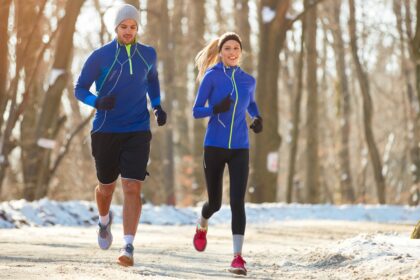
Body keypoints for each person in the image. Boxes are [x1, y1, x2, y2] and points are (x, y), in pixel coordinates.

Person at [74, 4, 166, 267]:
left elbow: (152, 80)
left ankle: (128, 246)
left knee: (132, 186)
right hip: (106, 129)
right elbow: (79, 88)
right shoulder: (100, 56)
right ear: (116, 28)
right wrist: (97, 101)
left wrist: (157, 106)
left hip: (137, 129)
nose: (128, 31)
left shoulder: (148, 53)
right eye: (124, 27)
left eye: (133, 27)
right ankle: (104, 222)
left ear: (138, 28)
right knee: (106, 188)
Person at [192, 32, 263, 276]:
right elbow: (196, 110)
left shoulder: (248, 81)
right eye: (227, 48)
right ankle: (202, 223)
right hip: (214, 146)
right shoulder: (211, 77)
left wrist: (257, 118)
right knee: (215, 203)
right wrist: (214, 108)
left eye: (236, 48)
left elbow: (251, 104)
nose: (232, 52)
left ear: (240, 52)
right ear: (221, 52)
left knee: (237, 203)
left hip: (240, 148)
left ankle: (237, 258)